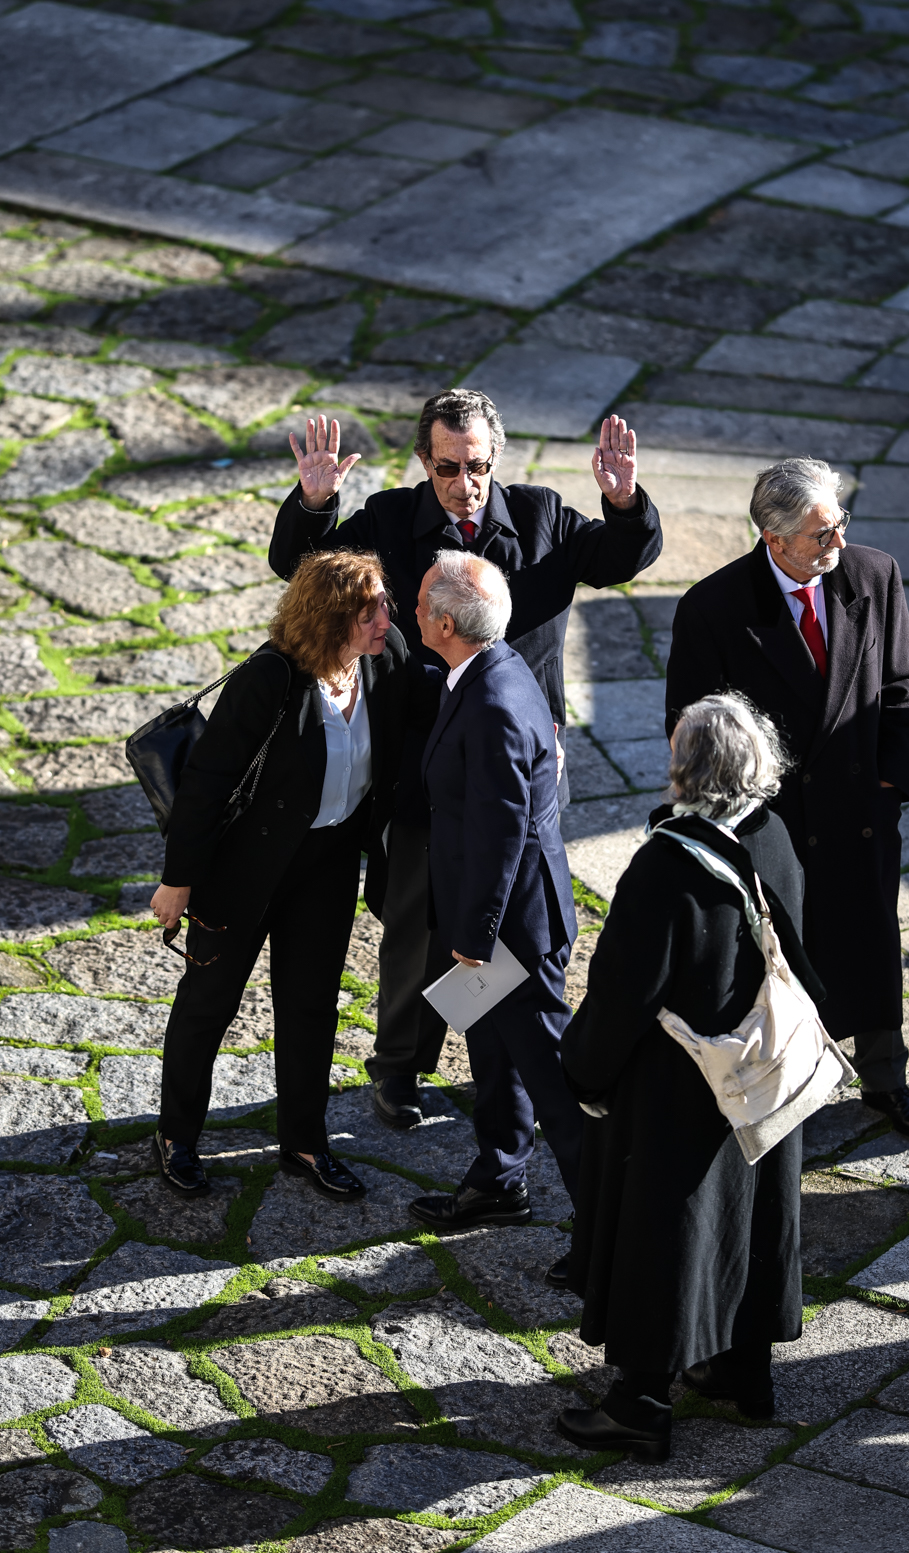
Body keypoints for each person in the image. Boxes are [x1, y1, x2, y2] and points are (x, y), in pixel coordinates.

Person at [269, 390, 662, 1135]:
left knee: (517, 918)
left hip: (522, 762)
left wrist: (623, 502)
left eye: (477, 466)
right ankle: (399, 1067)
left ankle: (513, 1074)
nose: (464, 483)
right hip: (424, 763)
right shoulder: (389, 520)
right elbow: (304, 571)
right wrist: (314, 504)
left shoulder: (541, 517)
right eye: (448, 467)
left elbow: (620, 559)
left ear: (495, 459)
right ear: (425, 460)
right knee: (417, 922)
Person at [557, 694, 814, 1461]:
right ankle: (739, 1371)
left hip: (677, 1090)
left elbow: (621, 995)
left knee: (663, 1240)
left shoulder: (665, 866)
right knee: (745, 1227)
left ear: (687, 769)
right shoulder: (772, 836)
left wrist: (584, 1074)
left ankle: (639, 1404)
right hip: (758, 1078)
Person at [150, 549, 436, 1200]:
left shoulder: (385, 657)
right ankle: (176, 1136)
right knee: (209, 1004)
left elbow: (433, 711)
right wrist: (178, 879)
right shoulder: (270, 678)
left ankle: (305, 1143)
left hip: (327, 863)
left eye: (384, 606)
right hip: (243, 868)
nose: (385, 620)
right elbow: (206, 782)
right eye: (369, 612)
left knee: (311, 1006)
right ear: (331, 618)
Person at [664, 458, 909, 1142]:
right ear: (773, 537)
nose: (837, 542)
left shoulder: (873, 575)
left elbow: (901, 690)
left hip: (860, 812)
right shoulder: (713, 608)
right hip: (773, 825)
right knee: (780, 960)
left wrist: (887, 786)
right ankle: (789, 1089)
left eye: (839, 524)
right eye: (821, 534)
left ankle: (885, 1079)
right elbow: (692, 728)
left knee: (871, 945)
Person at [405, 551, 582, 1268]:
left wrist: (475, 936)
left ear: (446, 625)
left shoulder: (492, 702)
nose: (412, 609)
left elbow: (501, 831)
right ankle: (498, 1183)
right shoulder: (490, 670)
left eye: (421, 601)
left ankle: (606, 1230)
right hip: (496, 919)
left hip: (514, 929)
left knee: (555, 1085)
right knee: (494, 1056)